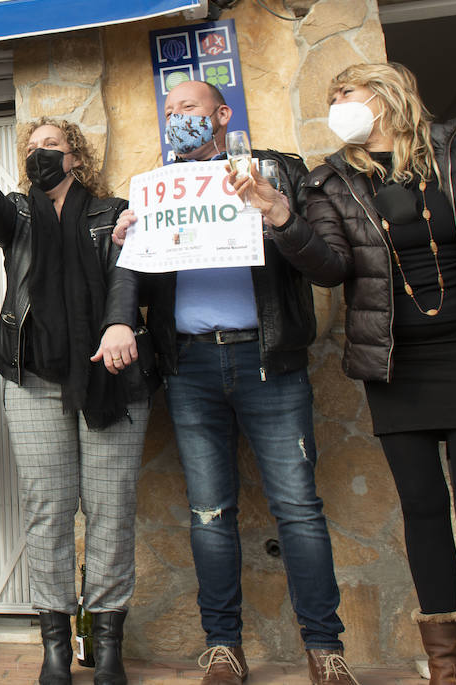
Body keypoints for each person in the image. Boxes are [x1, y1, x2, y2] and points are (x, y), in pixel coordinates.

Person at [237, 62, 456, 685]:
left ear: (386, 94)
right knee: (424, 507)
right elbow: (328, 267)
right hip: (395, 361)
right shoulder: (332, 181)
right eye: (332, 96)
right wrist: (279, 217)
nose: (336, 104)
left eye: (343, 92)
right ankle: (447, 669)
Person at [112, 80, 358, 685]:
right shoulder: (153, 189)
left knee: (298, 509)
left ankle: (325, 649)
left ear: (222, 116)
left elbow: (327, 267)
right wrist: (121, 284)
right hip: (192, 368)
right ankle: (223, 646)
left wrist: (276, 210)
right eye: (169, 113)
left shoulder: (274, 171)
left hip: (268, 362)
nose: (177, 121)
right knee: (209, 513)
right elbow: (129, 275)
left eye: (189, 110)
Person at [0, 115, 154, 685]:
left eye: (52, 147)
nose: (40, 155)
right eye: (32, 148)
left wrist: (118, 322)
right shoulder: (17, 213)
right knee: (48, 512)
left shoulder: (112, 212)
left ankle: (108, 645)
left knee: (110, 513)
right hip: (33, 378)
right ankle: (56, 648)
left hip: (111, 378)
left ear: (75, 158)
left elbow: (129, 275)